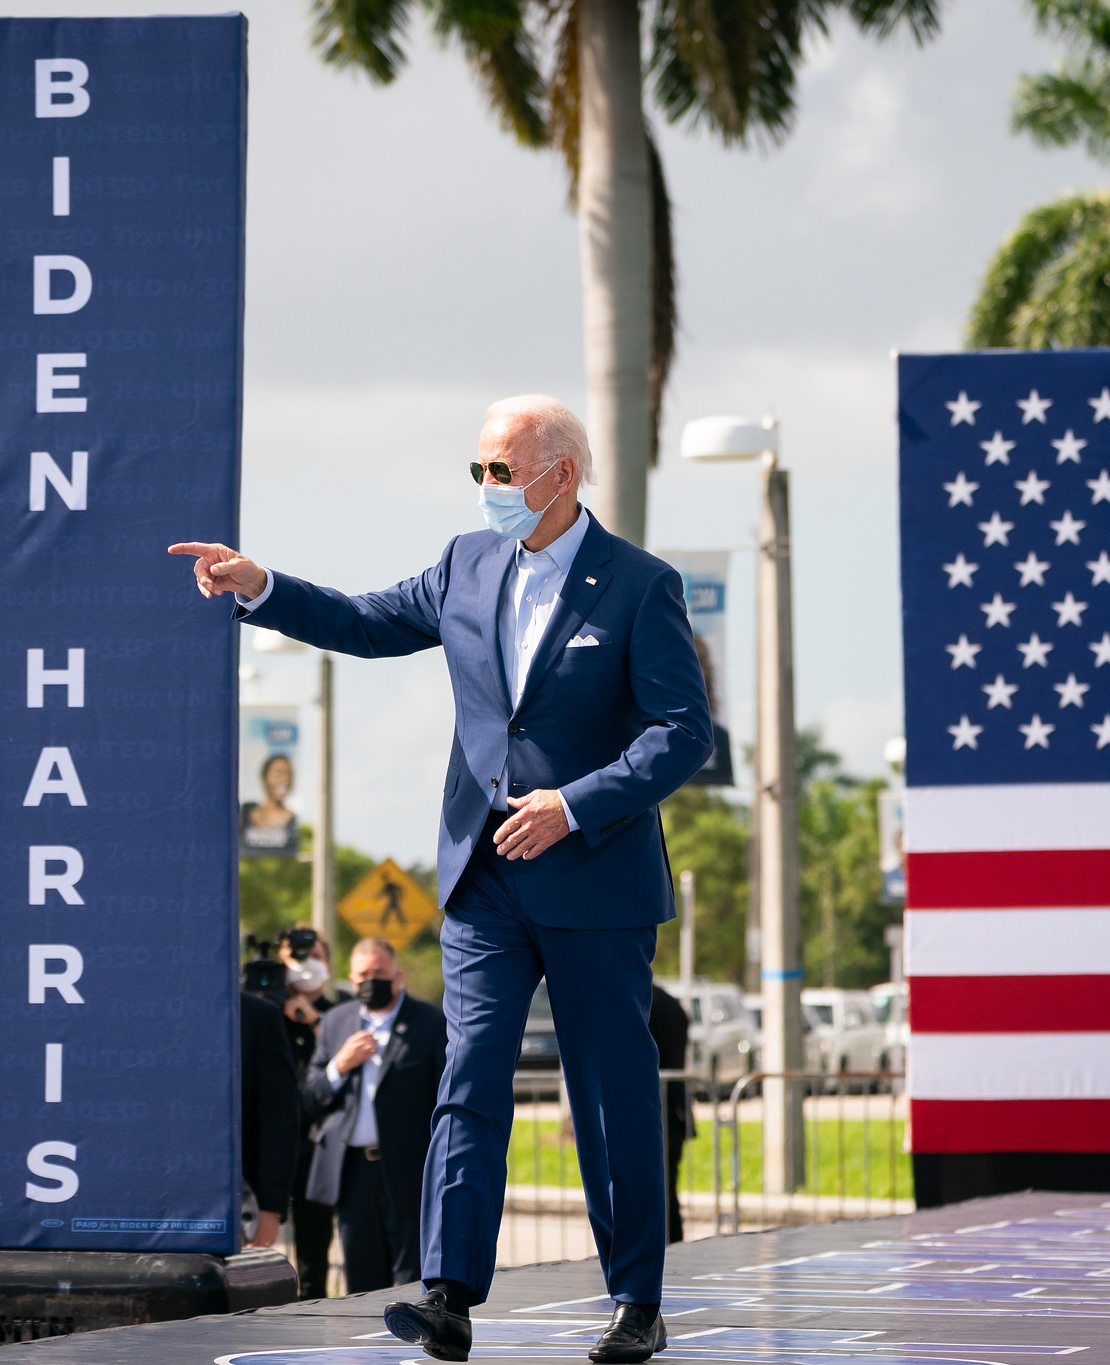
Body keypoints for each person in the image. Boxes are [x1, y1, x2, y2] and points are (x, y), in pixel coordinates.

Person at [171, 395, 712, 1363]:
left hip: (594, 876)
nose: (485, 489)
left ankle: (634, 1298)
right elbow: (367, 621)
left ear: (561, 474)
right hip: (483, 877)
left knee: (608, 1091)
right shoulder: (465, 564)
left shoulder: (638, 585)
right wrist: (263, 587)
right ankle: (447, 1292)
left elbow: (682, 733)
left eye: (500, 471)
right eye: (478, 470)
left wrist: (573, 803)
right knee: (467, 1075)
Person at [302, 938, 447, 1294]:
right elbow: (309, 1096)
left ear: (398, 976)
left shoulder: (429, 1022)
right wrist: (341, 1064)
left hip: (408, 1169)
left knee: (412, 1277)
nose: (372, 980)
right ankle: (364, 1348)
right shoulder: (336, 1022)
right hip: (352, 1172)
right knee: (362, 1282)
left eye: (379, 973)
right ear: (351, 979)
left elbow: (443, 1095)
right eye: (364, 974)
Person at [277, 925, 341, 1298]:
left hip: (316, 1148)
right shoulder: (264, 1012)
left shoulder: (342, 1014)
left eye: (316, 958)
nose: (307, 967)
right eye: (298, 959)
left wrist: (315, 1021)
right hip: (271, 1145)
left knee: (314, 1251)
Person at [241, 990, 301, 1250]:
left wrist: (270, 1208)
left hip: (238, 1208)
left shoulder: (257, 1015)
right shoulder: (144, 1011)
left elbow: (279, 1118)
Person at [647, 984, 693, 1244]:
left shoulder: (640, 1002)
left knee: (651, 1189)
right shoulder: (672, 1004)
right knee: (668, 1188)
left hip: (653, 1111)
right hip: (675, 1110)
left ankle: (663, 1244)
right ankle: (674, 1243)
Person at [242, 753, 301, 857]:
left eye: (289, 774)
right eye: (279, 774)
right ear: (264, 779)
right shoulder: (246, 813)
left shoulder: (293, 820)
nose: (285, 780)